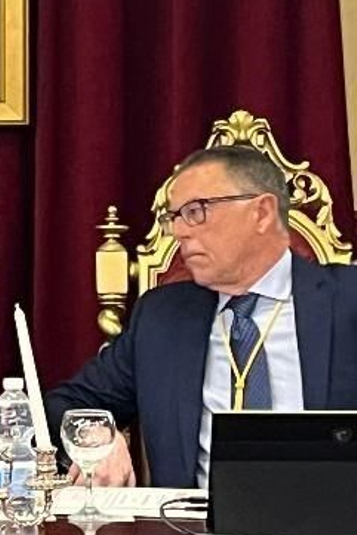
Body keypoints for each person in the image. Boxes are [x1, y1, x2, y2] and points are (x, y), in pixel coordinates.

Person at [46, 145, 357, 489]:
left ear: (262, 212)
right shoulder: (161, 319)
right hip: (193, 533)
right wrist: (96, 434)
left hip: (332, 532)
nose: (179, 231)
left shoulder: (347, 302)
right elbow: (64, 404)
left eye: (196, 212)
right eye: (174, 216)